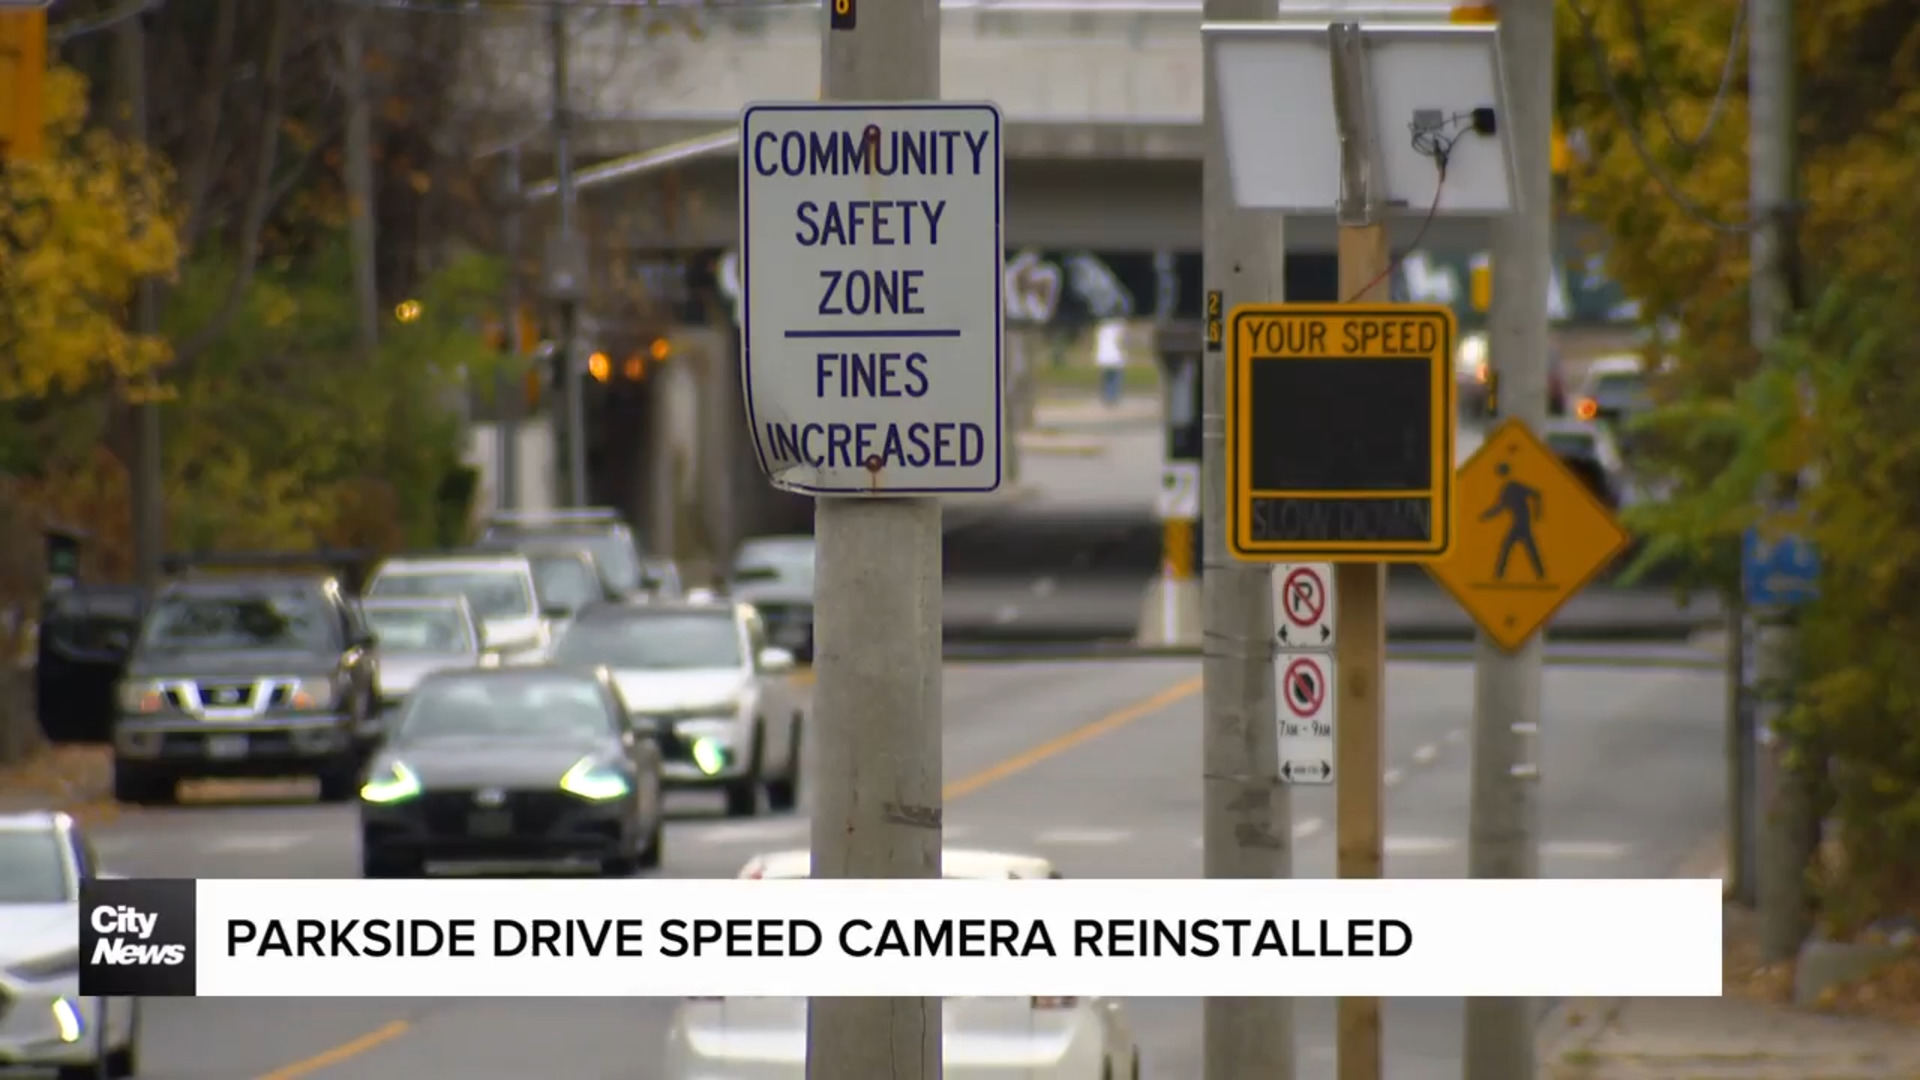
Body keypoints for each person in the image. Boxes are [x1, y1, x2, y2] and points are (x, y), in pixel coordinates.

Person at [1093, 318, 1127, 407]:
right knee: (1115, 380)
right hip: (1115, 358)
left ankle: (1107, 398)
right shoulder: (1118, 329)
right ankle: (1112, 399)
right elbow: (1122, 342)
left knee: (1106, 380)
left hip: (1104, 358)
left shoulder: (1101, 330)